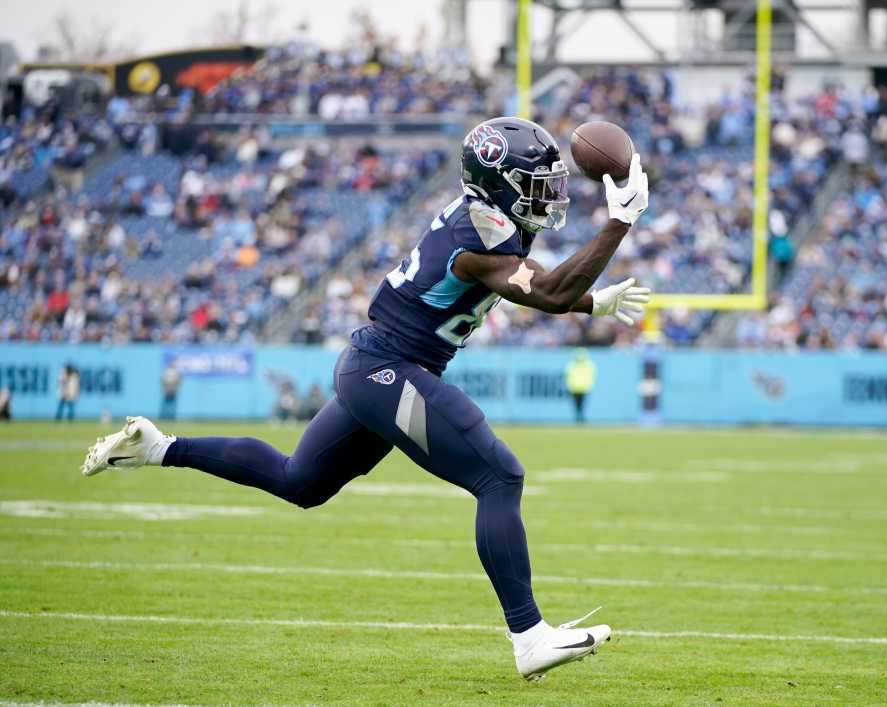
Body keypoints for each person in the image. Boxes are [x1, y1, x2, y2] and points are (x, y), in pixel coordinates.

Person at [80, 117, 651, 681]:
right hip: (389, 368)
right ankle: (528, 636)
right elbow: (546, 290)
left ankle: (159, 448)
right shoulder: (479, 230)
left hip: (375, 365)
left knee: (299, 482)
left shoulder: (489, 220)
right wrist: (618, 225)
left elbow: (533, 286)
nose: (550, 194)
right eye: (537, 182)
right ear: (499, 183)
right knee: (499, 477)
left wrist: (590, 302)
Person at [564, 348, 597, 424]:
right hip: (577, 388)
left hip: (580, 388)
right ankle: (579, 418)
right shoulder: (588, 365)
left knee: (580, 405)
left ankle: (580, 418)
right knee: (578, 405)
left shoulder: (573, 365)